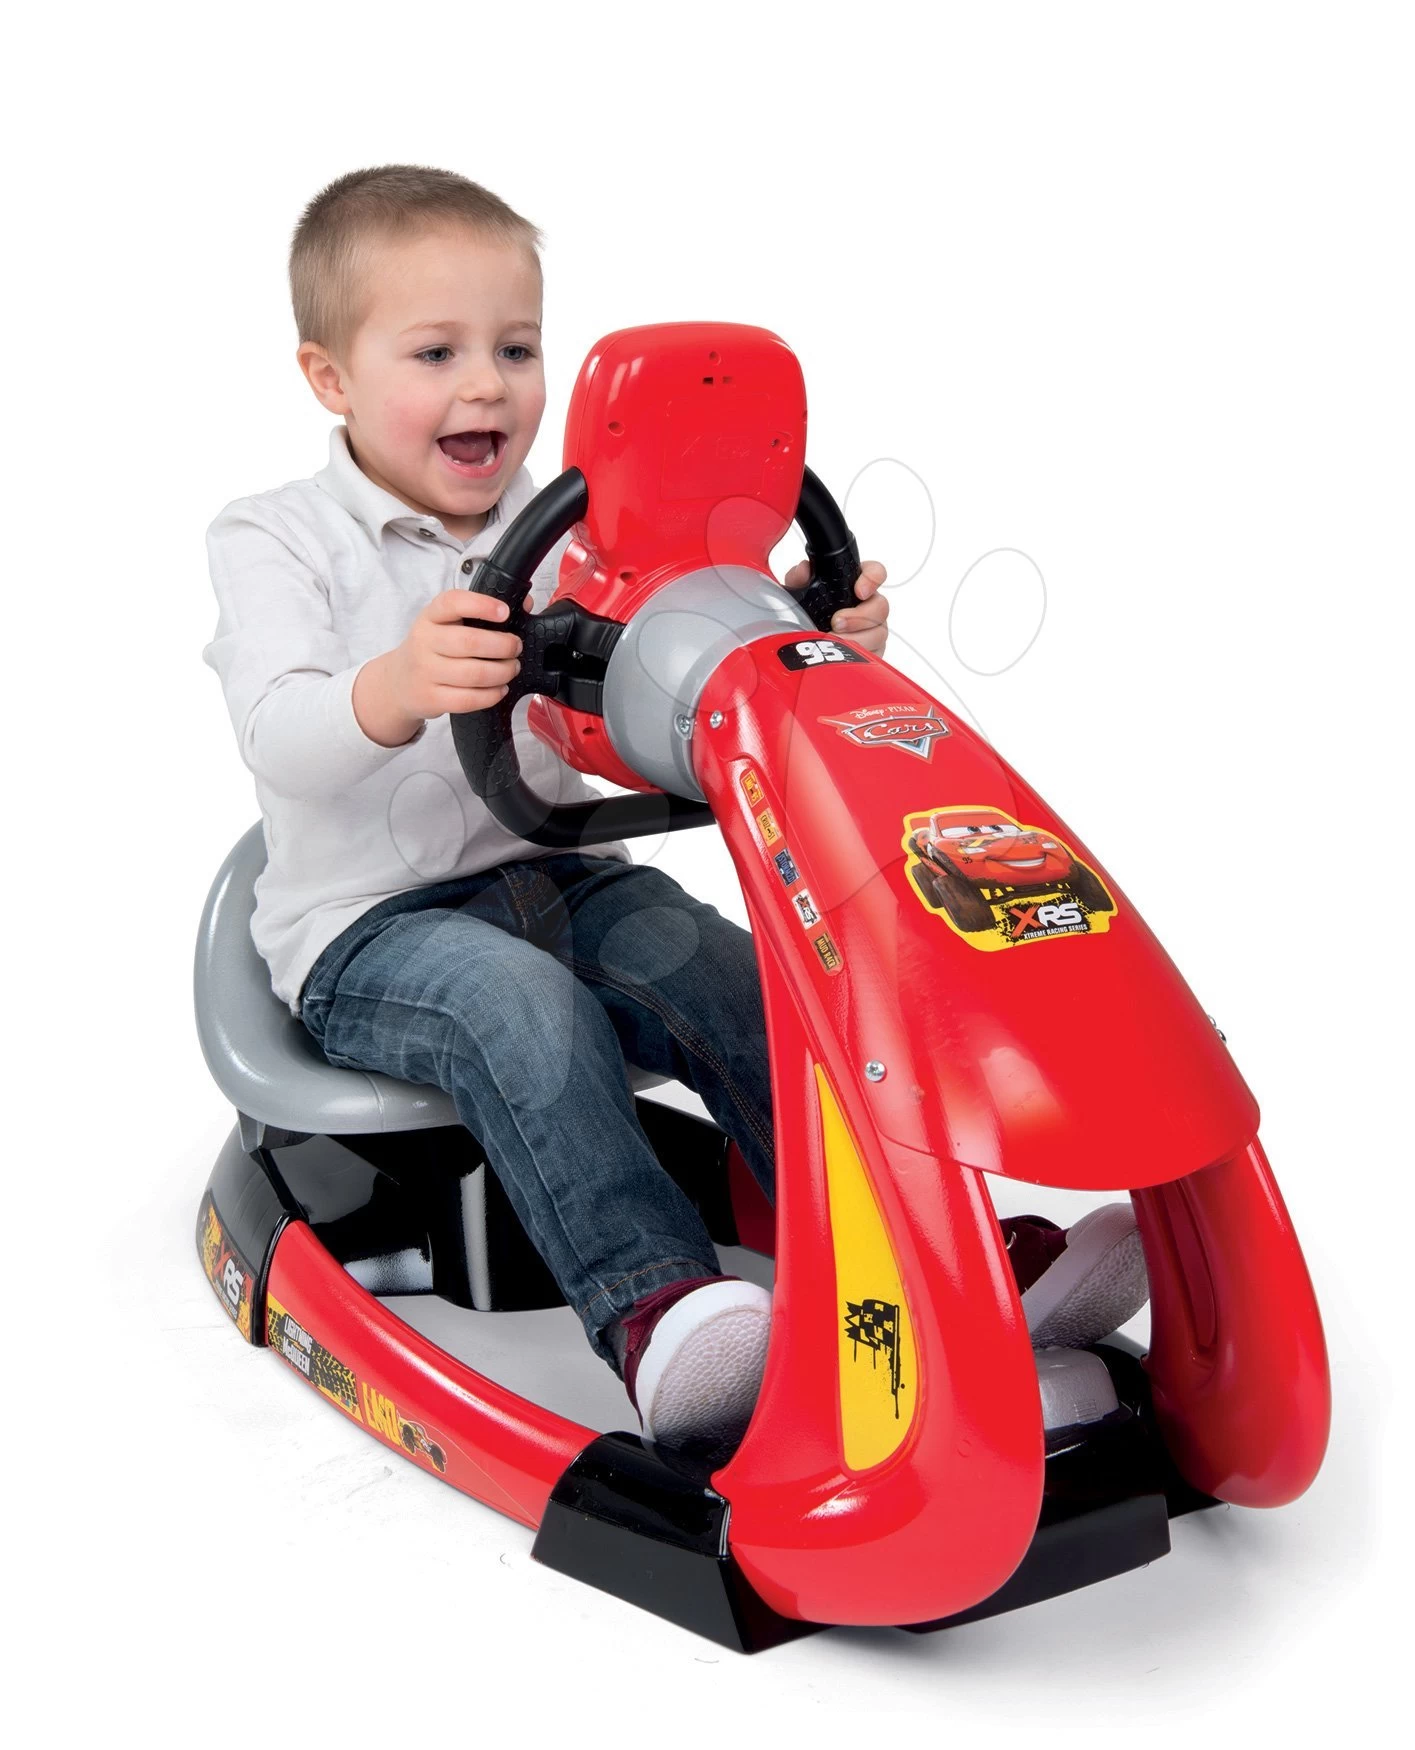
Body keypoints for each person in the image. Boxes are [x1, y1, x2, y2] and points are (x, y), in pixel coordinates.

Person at [205, 165, 1148, 1454]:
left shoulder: (576, 532)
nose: (488, 387)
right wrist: (395, 686)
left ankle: (955, 1257)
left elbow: (648, 714)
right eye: (436, 352)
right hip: (368, 926)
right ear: (330, 377)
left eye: (517, 349)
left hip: (563, 875)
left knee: (750, 976)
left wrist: (794, 639)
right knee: (519, 1008)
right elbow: (276, 734)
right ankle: (659, 1318)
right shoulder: (273, 538)